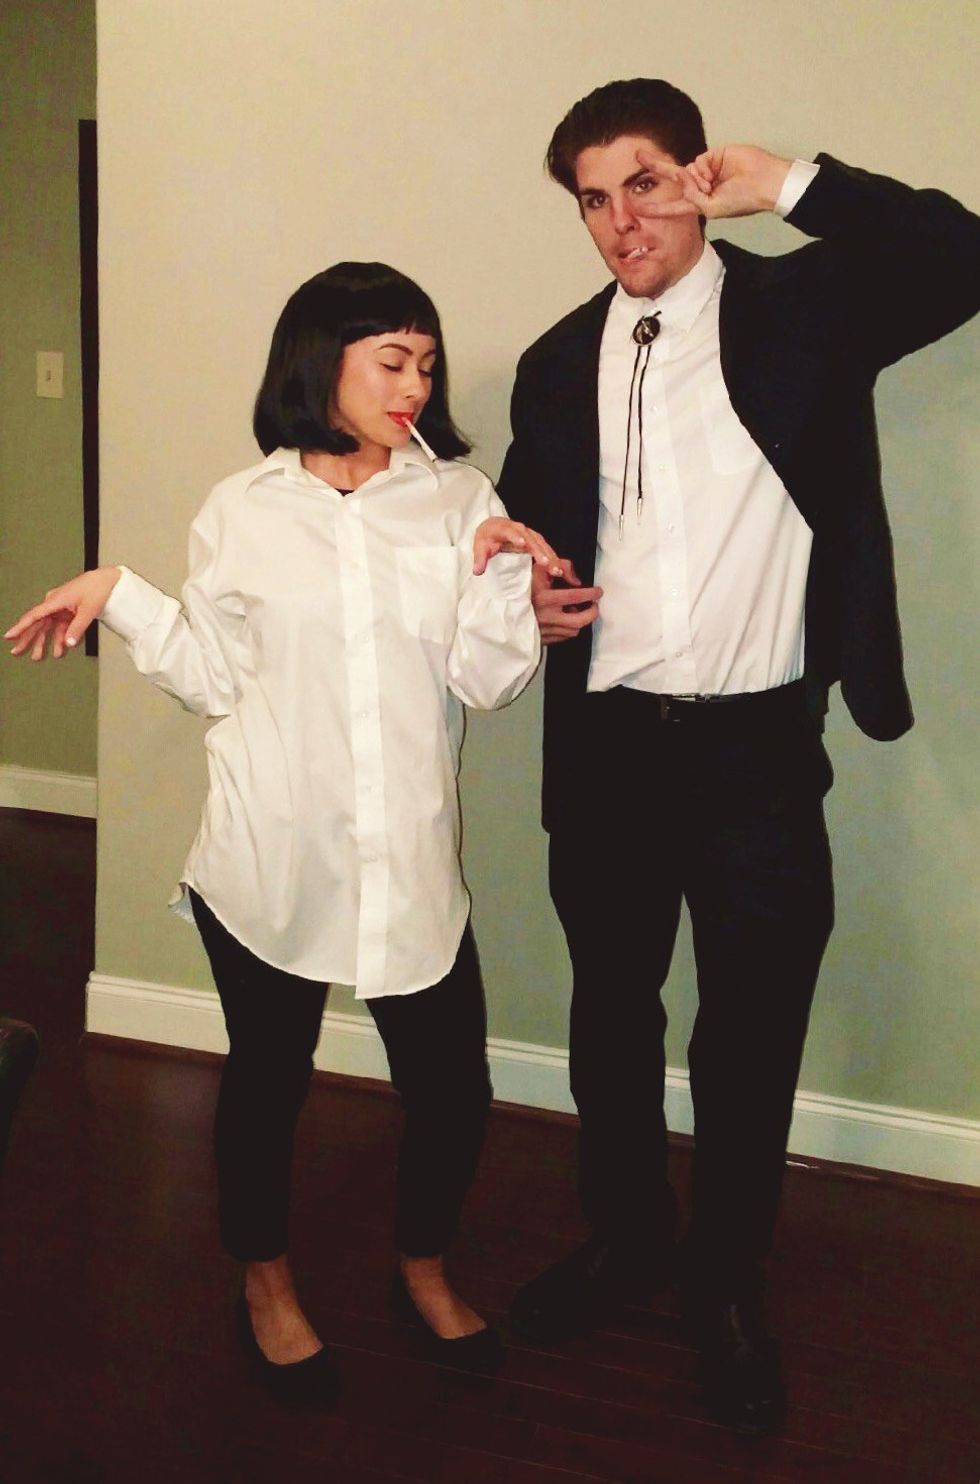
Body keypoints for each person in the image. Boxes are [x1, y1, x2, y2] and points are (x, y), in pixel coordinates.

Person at [496, 78, 980, 1434]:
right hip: (607, 749)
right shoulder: (552, 361)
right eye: (593, 199)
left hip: (756, 751)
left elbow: (962, 256)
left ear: (695, 179)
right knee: (611, 1017)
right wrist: (519, 593)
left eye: (643, 184)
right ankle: (626, 1238)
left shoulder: (804, 307)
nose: (620, 222)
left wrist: (796, 185)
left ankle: (722, 1281)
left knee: (749, 1033)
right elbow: (525, 535)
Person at [5, 261, 561, 1399]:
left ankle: (423, 1265)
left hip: (406, 851)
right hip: (270, 851)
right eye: (391, 360)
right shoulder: (243, 508)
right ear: (323, 360)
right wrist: (120, 592)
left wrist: (504, 579)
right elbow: (212, 676)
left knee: (452, 1089)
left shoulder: (458, 496)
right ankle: (265, 1282)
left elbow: (487, 681)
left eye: (426, 363)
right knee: (267, 1081)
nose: (416, 385)